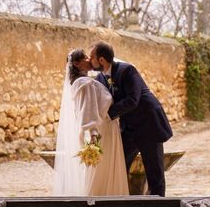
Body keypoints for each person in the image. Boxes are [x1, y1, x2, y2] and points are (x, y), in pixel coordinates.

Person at [90, 41, 173, 197]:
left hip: (148, 123)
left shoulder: (127, 70)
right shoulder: (100, 78)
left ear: (101, 60)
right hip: (128, 129)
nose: (89, 60)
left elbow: (132, 100)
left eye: (91, 57)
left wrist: (107, 115)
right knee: (119, 166)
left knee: (154, 173)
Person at [53, 49, 129, 196]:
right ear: (76, 63)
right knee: (103, 173)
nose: (89, 59)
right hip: (102, 131)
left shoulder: (84, 81)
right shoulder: (84, 83)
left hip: (106, 127)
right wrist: (94, 137)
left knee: (105, 171)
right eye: (85, 57)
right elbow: (87, 112)